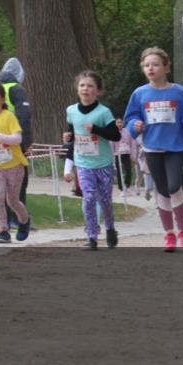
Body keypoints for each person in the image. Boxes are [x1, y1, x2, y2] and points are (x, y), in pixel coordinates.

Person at [123, 47, 183, 251]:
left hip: (174, 147)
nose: (151, 68)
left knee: (174, 186)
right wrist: (135, 125)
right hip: (152, 148)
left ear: (166, 67)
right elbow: (131, 117)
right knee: (162, 190)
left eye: (156, 64)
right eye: (147, 65)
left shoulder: (178, 92)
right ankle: (169, 234)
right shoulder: (139, 93)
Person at [63, 70, 122, 250]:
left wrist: (96, 129)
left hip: (103, 164)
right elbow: (73, 131)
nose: (85, 89)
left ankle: (110, 228)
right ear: (77, 89)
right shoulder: (71, 110)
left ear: (98, 91)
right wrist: (68, 137)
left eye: (90, 86)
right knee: (88, 198)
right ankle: (92, 236)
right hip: (83, 164)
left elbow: (116, 135)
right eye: (82, 85)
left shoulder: (104, 112)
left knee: (105, 201)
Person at [0, 58, 33, 228]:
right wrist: (26, 143)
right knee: (17, 185)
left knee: (2, 189)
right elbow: (24, 116)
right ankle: (16, 220)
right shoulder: (16, 88)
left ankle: (10, 221)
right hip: (13, 142)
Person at [111, 117, 137, 193]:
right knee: (119, 172)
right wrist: (112, 157)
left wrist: (133, 155)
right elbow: (111, 145)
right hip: (117, 155)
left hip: (126, 154)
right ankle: (121, 189)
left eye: (121, 122)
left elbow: (133, 143)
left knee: (128, 171)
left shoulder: (127, 131)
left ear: (123, 123)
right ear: (115, 124)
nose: (119, 124)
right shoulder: (113, 132)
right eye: (118, 122)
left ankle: (127, 186)